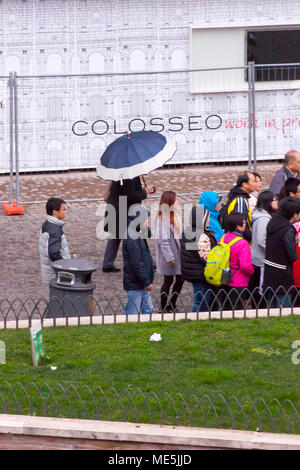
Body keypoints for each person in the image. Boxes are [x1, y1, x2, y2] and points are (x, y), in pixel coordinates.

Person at [102, 176, 152, 273]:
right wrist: (144, 191)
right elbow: (132, 195)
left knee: (115, 237)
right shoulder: (130, 177)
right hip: (125, 211)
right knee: (138, 236)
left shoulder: (119, 175)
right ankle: (148, 261)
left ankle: (107, 263)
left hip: (116, 209)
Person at [263, 197, 300, 308]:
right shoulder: (288, 229)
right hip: (283, 274)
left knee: (271, 306)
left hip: (269, 271)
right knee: (284, 307)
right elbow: (292, 255)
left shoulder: (272, 223)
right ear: (294, 214)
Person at [181, 205, 217, 312]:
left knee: (199, 296)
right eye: (207, 217)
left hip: (192, 271)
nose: (209, 220)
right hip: (200, 273)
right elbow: (206, 257)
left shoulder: (189, 231)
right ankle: (198, 317)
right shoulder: (201, 236)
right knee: (202, 299)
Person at [122, 207, 154, 315]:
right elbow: (136, 263)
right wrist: (146, 281)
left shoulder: (138, 232)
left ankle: (151, 329)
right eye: (145, 219)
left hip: (141, 281)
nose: (147, 221)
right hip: (136, 282)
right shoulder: (132, 237)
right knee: (132, 313)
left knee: (149, 311)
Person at [156, 191, 184, 313]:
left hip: (178, 253)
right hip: (170, 256)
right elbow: (163, 240)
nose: (177, 202)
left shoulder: (174, 215)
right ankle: (163, 307)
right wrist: (169, 258)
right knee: (168, 281)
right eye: (176, 200)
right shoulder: (163, 218)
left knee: (180, 279)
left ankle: (171, 303)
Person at [249, 191, 278, 306]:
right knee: (260, 290)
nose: (277, 202)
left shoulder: (262, 216)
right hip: (261, 260)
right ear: (268, 202)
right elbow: (262, 240)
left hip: (259, 258)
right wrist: (274, 251)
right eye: (275, 200)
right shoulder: (263, 219)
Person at [222, 212, 254, 310]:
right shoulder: (242, 243)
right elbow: (245, 266)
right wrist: (252, 271)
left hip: (224, 279)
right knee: (237, 310)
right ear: (238, 226)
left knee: (227, 309)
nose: (245, 226)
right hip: (238, 281)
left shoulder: (223, 238)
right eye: (244, 223)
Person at [39, 197, 71, 283]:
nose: (65, 212)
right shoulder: (54, 230)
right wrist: (64, 265)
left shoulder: (47, 224)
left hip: (50, 272)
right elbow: (54, 253)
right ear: (55, 211)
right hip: (57, 274)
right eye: (63, 209)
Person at [224, 171, 257, 242]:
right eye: (254, 181)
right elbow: (239, 226)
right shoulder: (240, 200)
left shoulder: (241, 198)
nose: (256, 184)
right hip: (240, 245)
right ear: (244, 184)